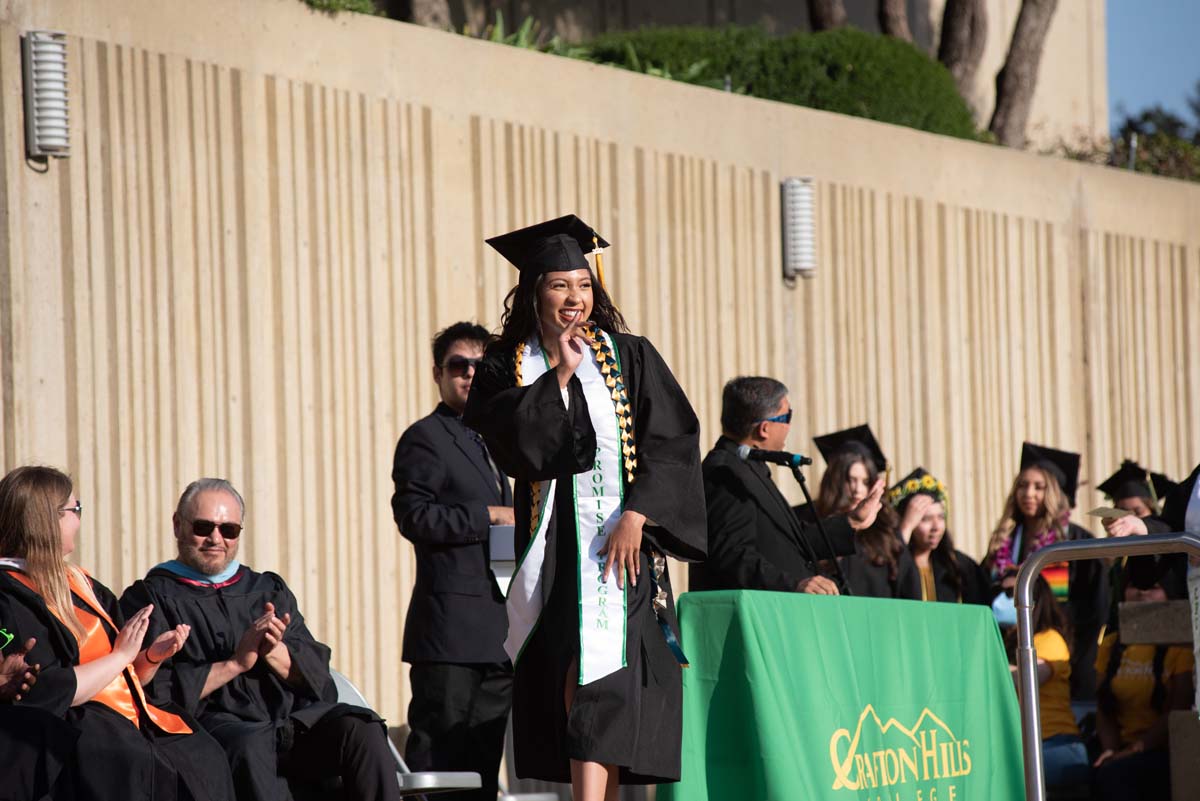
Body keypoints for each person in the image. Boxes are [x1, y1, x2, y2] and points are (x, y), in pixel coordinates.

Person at [462, 214, 707, 800]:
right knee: (575, 666)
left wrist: (638, 515)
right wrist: (563, 377)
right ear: (533, 293)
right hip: (554, 546)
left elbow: (671, 442)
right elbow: (515, 447)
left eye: (584, 285)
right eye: (559, 285)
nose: (575, 298)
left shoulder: (630, 356)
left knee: (613, 677)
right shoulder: (507, 365)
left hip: (623, 542)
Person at [119, 478, 400, 801]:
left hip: (287, 723)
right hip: (216, 731)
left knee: (360, 728)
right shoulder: (152, 597)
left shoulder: (267, 590)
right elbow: (150, 693)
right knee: (252, 745)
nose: (216, 539)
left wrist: (274, 650)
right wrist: (235, 664)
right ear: (178, 525)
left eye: (229, 530)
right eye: (203, 527)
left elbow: (319, 679)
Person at [0, 465, 236, 801]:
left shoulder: (80, 583)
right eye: (74, 510)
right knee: (134, 762)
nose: (79, 520)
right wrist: (121, 655)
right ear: (47, 520)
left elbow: (123, 679)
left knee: (203, 754)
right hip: (83, 731)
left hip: (127, 719)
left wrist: (149, 656)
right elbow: (50, 691)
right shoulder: (9, 596)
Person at [391, 321, 514, 801]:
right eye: (457, 365)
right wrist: (487, 515)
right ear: (438, 374)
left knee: (482, 764)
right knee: (440, 761)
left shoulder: (501, 441)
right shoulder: (426, 438)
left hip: (500, 631)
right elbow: (413, 516)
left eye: (478, 367)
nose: (468, 374)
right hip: (448, 633)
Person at [691, 376, 883, 594]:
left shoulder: (750, 467)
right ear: (764, 428)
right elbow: (732, 555)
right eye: (787, 416)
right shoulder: (725, 473)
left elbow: (792, 541)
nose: (790, 426)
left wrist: (851, 521)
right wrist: (794, 584)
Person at [983, 442, 1106, 700]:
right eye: (1023, 485)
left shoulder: (1073, 540)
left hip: (1061, 656)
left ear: (1053, 492)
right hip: (1010, 651)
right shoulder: (1002, 541)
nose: (1029, 493)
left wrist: (1077, 659)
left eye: (1039, 487)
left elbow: (1095, 607)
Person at [1091, 560, 1194, 801]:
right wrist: (1110, 749)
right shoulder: (1110, 643)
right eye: (1135, 586)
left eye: (1153, 586)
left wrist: (1132, 751)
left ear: (1169, 594)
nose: (1142, 592)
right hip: (1119, 748)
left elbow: (1178, 709)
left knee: (1116, 776)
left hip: (1162, 749)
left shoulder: (1181, 646)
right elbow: (1102, 709)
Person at [810, 426, 920, 600]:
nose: (857, 490)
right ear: (835, 481)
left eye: (865, 481)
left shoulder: (886, 534)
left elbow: (909, 591)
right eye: (850, 480)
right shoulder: (813, 527)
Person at [1003, 574, 1090, 788]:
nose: (1001, 600)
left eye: (1007, 594)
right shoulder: (1007, 642)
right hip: (1023, 746)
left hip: (1057, 745)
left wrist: (989, 665)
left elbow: (1027, 678)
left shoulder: (1050, 638)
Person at [888, 468, 988, 604]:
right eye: (926, 519)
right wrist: (905, 529)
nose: (936, 527)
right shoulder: (892, 566)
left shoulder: (959, 565)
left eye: (941, 517)